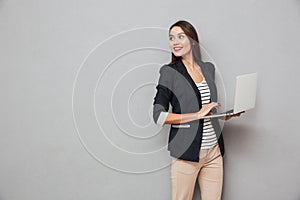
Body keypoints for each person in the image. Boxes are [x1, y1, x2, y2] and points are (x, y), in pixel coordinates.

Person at [152, 20, 242, 200]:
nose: (175, 42)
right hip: (186, 153)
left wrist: (224, 116)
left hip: (214, 152)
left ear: (192, 41)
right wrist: (196, 115)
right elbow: (159, 116)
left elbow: (207, 107)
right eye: (171, 38)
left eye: (180, 37)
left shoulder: (208, 68)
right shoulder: (169, 72)